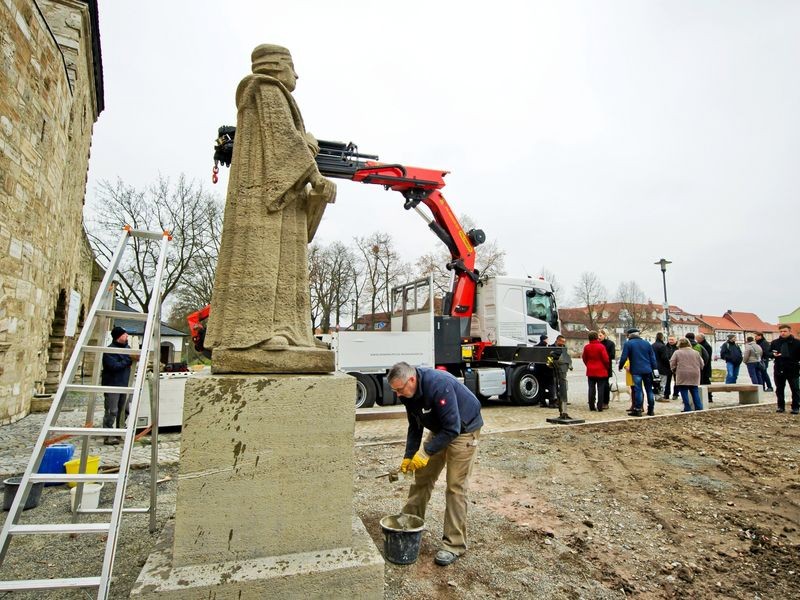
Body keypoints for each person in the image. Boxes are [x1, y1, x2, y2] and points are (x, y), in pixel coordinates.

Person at [205, 44, 336, 373]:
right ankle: (260, 333)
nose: (296, 74)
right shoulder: (267, 89)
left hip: (280, 200)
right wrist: (310, 155)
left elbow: (283, 149)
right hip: (266, 205)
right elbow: (283, 146)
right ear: (277, 66)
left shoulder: (268, 94)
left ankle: (289, 330)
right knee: (263, 260)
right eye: (292, 66)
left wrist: (312, 177)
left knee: (282, 264)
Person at [389, 361, 483, 566]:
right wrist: (409, 455)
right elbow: (415, 425)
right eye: (394, 390)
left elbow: (453, 429)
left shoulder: (439, 385)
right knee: (421, 477)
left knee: (455, 487)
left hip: (464, 429)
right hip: (442, 428)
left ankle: (454, 545)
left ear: (412, 379)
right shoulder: (407, 393)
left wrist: (426, 451)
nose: (397, 394)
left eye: (399, 389)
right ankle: (409, 523)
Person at [101, 326, 137, 445]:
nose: (127, 336)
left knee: (124, 410)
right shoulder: (109, 351)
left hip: (125, 384)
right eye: (124, 334)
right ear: (118, 336)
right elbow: (113, 366)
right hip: (112, 384)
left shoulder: (127, 348)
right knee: (112, 410)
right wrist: (128, 360)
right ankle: (108, 435)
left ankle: (120, 432)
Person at [618, 328, 658, 417]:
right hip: (648, 370)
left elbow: (624, 357)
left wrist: (620, 366)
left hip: (636, 370)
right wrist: (655, 369)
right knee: (649, 390)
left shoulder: (628, 344)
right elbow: (653, 358)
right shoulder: (647, 344)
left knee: (638, 390)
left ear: (630, 335)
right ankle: (651, 410)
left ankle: (638, 410)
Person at [770, 325, 800, 414]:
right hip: (779, 368)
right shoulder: (775, 342)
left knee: (795, 389)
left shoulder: (797, 343)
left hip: (792, 368)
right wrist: (773, 355)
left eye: (785, 331)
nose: (783, 333)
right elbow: (768, 352)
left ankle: (795, 407)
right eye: (781, 331)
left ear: (789, 332)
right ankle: (780, 406)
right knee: (779, 389)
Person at [669, 338, 704, 411]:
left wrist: (674, 370)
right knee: (694, 390)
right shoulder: (696, 352)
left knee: (683, 390)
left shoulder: (677, 352)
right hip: (694, 373)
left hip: (682, 373)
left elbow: (672, 363)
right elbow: (702, 363)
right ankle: (699, 407)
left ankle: (687, 407)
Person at [582, 331, 610, 412]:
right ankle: (600, 406)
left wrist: (588, 365)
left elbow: (584, 358)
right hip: (601, 370)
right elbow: (606, 359)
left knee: (591, 388)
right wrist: (606, 367)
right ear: (596, 337)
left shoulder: (587, 347)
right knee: (600, 389)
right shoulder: (601, 347)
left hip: (591, 370)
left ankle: (591, 406)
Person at [598, 329, 616, 409]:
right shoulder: (597, 343)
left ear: (605, 335)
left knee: (605, 385)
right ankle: (598, 401)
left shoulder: (610, 344)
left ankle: (605, 402)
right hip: (597, 367)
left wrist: (604, 357)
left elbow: (612, 355)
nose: (599, 337)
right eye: (598, 335)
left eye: (600, 335)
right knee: (598, 385)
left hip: (606, 366)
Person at [553, 335, 572, 410]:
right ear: (558, 340)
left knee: (564, 385)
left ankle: (563, 400)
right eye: (562, 341)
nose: (563, 343)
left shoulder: (564, 348)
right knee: (555, 385)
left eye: (564, 341)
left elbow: (566, 357)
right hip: (554, 369)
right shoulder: (552, 347)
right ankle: (556, 400)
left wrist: (570, 365)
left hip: (563, 369)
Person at [696, 333, 714, 403]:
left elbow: (707, 358)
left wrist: (703, 365)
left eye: (697, 338)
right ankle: (707, 396)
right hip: (704, 367)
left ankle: (709, 396)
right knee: (704, 382)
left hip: (705, 367)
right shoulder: (703, 345)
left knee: (706, 382)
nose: (696, 340)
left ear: (701, 339)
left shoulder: (706, 346)